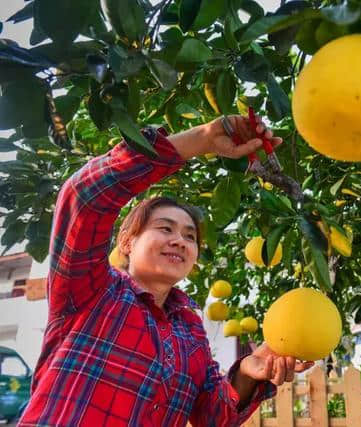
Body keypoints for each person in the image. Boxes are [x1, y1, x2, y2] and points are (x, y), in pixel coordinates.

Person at [18, 115, 314, 426]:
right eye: (165, 228)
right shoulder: (93, 292)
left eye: (189, 236)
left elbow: (212, 418)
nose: (179, 241)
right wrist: (202, 139)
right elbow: (85, 197)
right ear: (128, 243)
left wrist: (247, 374)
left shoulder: (190, 331)